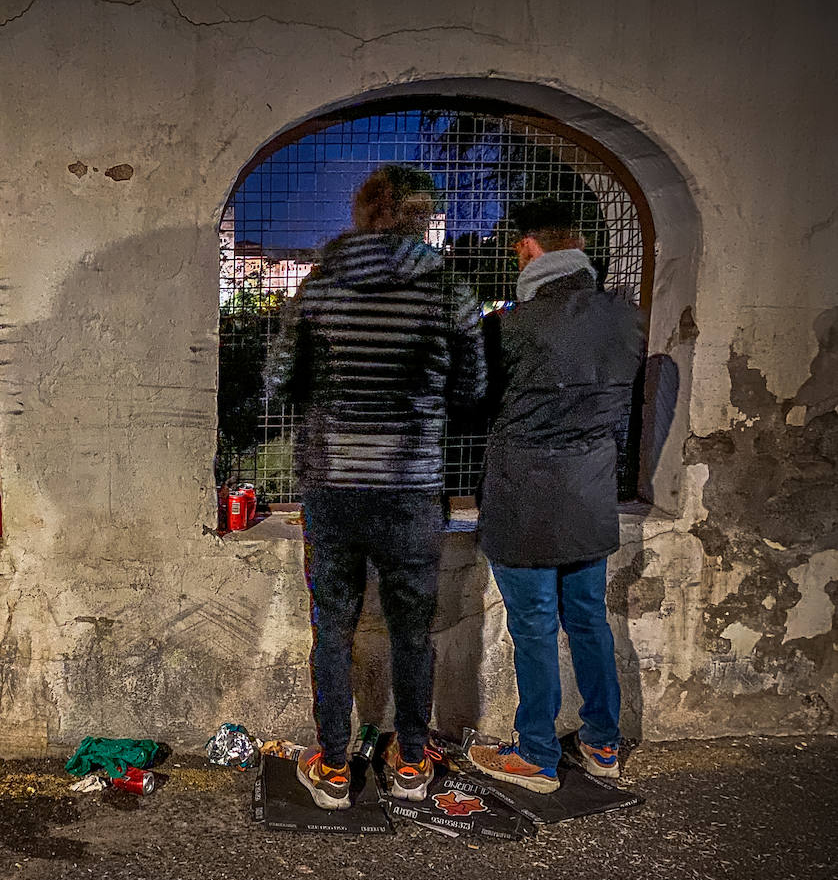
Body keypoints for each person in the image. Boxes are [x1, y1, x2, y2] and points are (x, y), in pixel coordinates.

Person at [267, 164, 485, 810]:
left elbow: (279, 380)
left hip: (333, 487)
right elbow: (473, 392)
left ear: (363, 213)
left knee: (330, 628)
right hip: (412, 487)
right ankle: (412, 761)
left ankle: (334, 766)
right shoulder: (449, 289)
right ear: (423, 217)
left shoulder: (321, 284)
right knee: (412, 632)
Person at [468, 198, 646, 793]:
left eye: (517, 248)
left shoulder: (510, 326)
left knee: (537, 626)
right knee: (590, 620)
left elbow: (474, 403)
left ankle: (538, 755)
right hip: (591, 491)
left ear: (530, 248)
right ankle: (602, 744)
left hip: (526, 498)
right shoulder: (626, 318)